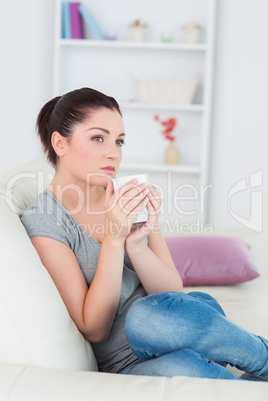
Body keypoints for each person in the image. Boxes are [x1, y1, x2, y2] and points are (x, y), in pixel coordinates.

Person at [21, 87, 268, 381]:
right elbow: (94, 328)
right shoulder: (45, 220)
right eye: (98, 138)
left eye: (120, 141)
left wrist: (139, 242)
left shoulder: (123, 196)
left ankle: (260, 359)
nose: (113, 153)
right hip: (126, 360)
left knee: (185, 307)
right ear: (60, 143)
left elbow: (171, 294)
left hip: (176, 324)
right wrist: (114, 239)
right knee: (158, 334)